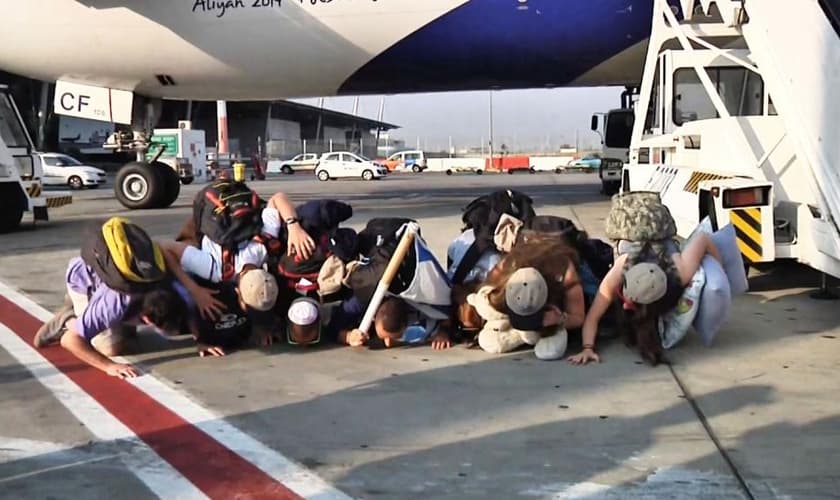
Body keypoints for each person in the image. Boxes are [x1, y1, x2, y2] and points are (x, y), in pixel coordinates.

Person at [33, 249, 208, 379]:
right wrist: (109, 366)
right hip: (83, 280)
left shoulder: (177, 290)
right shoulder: (115, 303)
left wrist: (203, 340)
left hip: (117, 283)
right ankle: (69, 318)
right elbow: (71, 341)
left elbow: (164, 250)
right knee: (110, 349)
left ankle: (103, 320)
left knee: (124, 334)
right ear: (146, 318)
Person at [567, 232, 722, 366]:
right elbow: (592, 317)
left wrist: (587, 348)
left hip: (658, 235)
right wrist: (587, 349)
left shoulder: (679, 272)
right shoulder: (621, 268)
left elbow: (593, 316)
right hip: (631, 237)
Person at [174, 191, 316, 282]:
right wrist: (194, 289)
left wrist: (294, 227)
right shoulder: (213, 270)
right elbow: (168, 248)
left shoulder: (263, 248)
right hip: (210, 216)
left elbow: (278, 197)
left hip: (216, 213)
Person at [189, 266, 279, 357]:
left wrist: (260, 330)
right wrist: (200, 342)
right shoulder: (213, 294)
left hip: (242, 344)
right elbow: (189, 313)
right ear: (238, 292)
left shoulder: (265, 289)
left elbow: (263, 326)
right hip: (215, 345)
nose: (252, 310)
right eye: (249, 306)